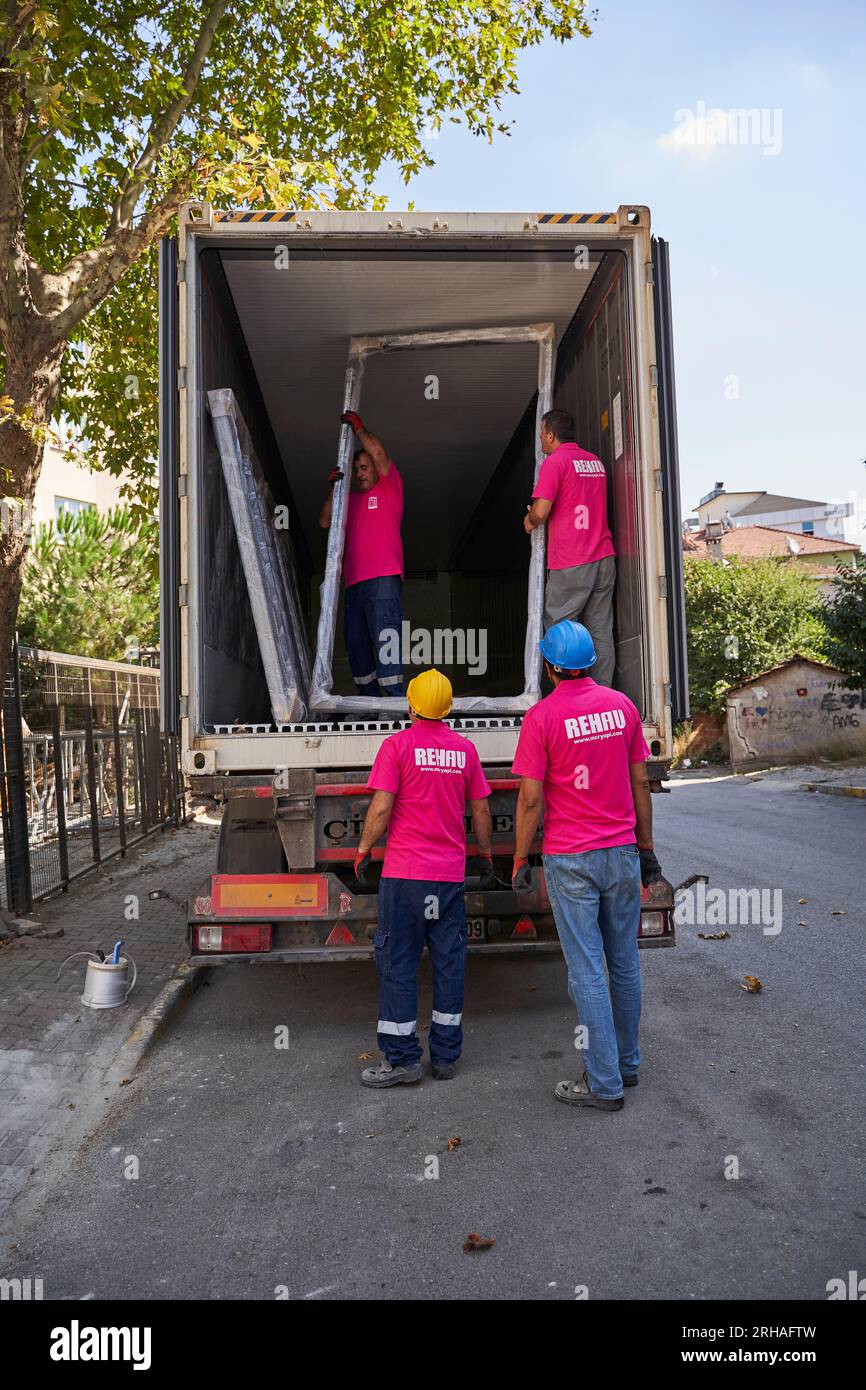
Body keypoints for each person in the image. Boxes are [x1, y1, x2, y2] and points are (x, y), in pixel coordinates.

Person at [510, 619, 664, 1111]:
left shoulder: (541, 718)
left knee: (586, 971)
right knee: (623, 962)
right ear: (590, 663)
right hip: (622, 855)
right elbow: (640, 783)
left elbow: (531, 801)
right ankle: (628, 1064)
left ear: (551, 665)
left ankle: (603, 1083)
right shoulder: (621, 707)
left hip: (571, 859)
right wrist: (647, 850)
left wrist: (519, 857)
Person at [353, 668, 494, 1087]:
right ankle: (446, 1058)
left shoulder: (397, 747)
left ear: (411, 705)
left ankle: (402, 1061)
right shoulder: (464, 751)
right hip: (448, 879)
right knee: (449, 964)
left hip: (404, 879)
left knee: (399, 964)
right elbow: (482, 810)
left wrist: (362, 850)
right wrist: (485, 857)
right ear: (448, 708)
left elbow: (380, 809)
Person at [523, 408, 617, 686]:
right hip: (603, 558)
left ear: (551, 435)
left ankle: (566, 702)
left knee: (560, 632)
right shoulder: (595, 462)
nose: (540, 439)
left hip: (571, 561)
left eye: (541, 434)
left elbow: (541, 512)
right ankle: (601, 699)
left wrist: (529, 520)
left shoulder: (555, 463)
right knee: (600, 632)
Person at [319, 410, 405, 697]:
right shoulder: (350, 501)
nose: (359, 473)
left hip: (384, 580)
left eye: (364, 467)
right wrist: (334, 489)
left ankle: (393, 704)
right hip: (354, 585)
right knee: (356, 645)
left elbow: (378, 452)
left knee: (386, 641)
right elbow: (324, 521)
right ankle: (370, 703)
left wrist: (359, 429)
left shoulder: (390, 489)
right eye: (356, 469)